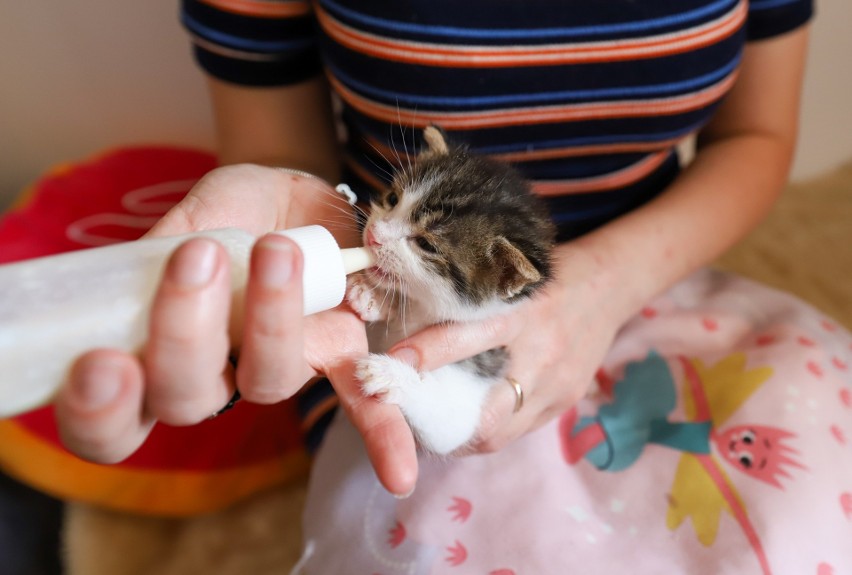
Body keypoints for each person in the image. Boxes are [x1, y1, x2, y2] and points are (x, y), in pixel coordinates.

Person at [53, 0, 812, 501]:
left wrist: (603, 286)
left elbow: (758, 138)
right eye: (397, 206)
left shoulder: (494, 264)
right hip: (368, 333)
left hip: (660, 277)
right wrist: (317, 249)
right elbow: (290, 159)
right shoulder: (383, 246)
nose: (386, 227)